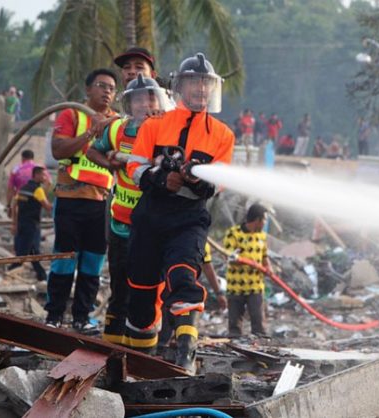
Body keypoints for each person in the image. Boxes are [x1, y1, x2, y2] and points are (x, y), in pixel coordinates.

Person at [125, 52, 235, 373]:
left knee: (183, 277)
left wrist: (195, 181)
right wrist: (162, 178)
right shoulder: (156, 125)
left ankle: (185, 356)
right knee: (142, 296)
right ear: (179, 86)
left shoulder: (222, 135)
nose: (200, 89)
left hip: (189, 218)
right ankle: (140, 366)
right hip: (150, 215)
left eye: (205, 84)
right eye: (194, 83)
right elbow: (134, 167)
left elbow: (220, 182)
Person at [86, 74, 169, 345]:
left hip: (153, 227)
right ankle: (113, 351)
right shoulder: (118, 130)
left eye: (151, 98)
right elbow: (92, 152)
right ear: (130, 104)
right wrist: (111, 164)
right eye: (139, 99)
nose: (146, 104)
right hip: (121, 225)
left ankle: (143, 352)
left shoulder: (167, 131)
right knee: (119, 289)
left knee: (147, 290)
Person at [45, 68, 119, 332]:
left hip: (101, 203)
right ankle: (54, 315)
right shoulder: (72, 114)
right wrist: (90, 133)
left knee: (93, 262)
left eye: (112, 87)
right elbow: (58, 149)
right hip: (70, 198)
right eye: (101, 85)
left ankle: (81, 317)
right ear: (88, 89)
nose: (107, 91)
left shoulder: (118, 123)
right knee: (65, 259)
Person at [157, 242, 227, 350]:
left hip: (178, 293)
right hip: (166, 291)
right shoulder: (196, 238)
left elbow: (207, 267)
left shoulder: (199, 239)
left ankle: (179, 350)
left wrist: (219, 293)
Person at [223, 203, 270, 337]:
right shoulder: (233, 234)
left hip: (255, 286)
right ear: (257, 220)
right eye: (264, 219)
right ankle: (234, 346)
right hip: (236, 285)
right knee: (234, 325)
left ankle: (260, 346)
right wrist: (247, 262)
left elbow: (265, 256)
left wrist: (269, 268)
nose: (265, 223)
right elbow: (228, 256)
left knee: (258, 322)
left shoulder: (262, 236)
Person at [9, 166, 52, 281]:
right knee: (25, 253)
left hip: (22, 223)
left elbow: (14, 205)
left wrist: (14, 223)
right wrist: (49, 187)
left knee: (31, 251)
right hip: (32, 225)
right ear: (36, 175)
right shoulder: (38, 190)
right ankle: (12, 270)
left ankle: (41, 275)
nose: (45, 177)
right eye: (43, 175)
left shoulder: (23, 188)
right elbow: (48, 207)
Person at [6, 150, 46, 216]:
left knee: (19, 223)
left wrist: (8, 205)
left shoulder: (16, 169)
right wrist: (43, 197)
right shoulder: (39, 169)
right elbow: (49, 182)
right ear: (33, 158)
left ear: (22, 158)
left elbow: (10, 189)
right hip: (35, 203)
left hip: (20, 202)